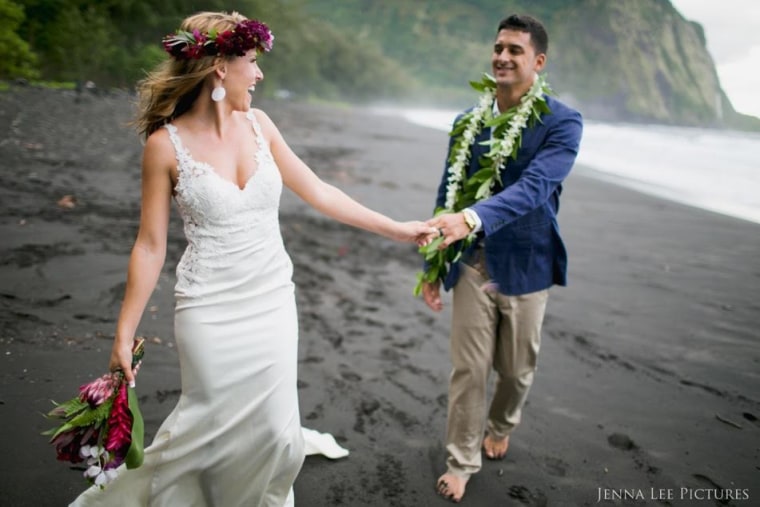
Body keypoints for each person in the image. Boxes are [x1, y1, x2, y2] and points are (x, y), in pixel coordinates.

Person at [70, 10, 434, 507]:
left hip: (271, 302)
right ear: (220, 66)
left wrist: (398, 228)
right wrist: (123, 332)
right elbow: (150, 245)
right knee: (209, 430)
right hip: (208, 309)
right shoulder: (163, 146)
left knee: (277, 435)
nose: (259, 74)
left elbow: (321, 191)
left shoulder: (260, 125)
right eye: (252, 61)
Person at [422, 14, 583, 503]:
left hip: (528, 264)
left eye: (515, 50)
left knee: (515, 372)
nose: (503, 57)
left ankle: (502, 422)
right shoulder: (466, 123)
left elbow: (536, 189)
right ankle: (461, 459)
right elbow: (446, 195)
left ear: (538, 61)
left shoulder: (562, 122)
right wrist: (433, 264)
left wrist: (472, 218)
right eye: (498, 47)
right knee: (469, 369)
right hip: (473, 264)